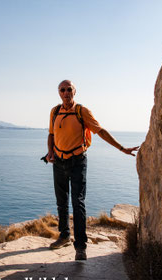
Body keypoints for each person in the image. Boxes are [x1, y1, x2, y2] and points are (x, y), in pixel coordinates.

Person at [45, 80, 139, 260]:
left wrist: (121, 148)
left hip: (77, 162)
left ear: (75, 91)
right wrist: (50, 152)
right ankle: (64, 236)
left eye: (69, 89)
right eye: (62, 90)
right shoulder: (55, 111)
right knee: (61, 202)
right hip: (59, 163)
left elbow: (100, 131)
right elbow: (51, 134)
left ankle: (80, 247)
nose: (66, 93)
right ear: (59, 93)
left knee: (78, 204)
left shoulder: (82, 111)